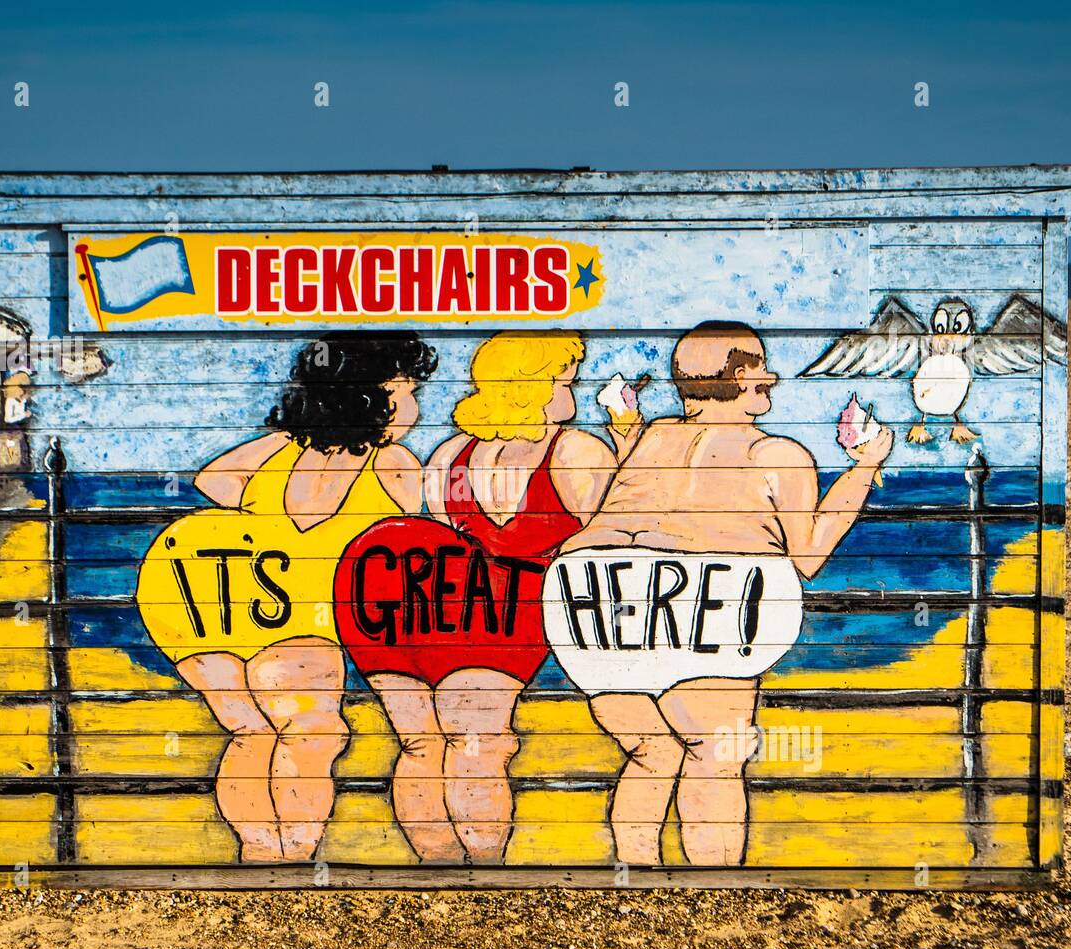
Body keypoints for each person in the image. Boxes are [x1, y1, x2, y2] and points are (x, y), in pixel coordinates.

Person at [557, 321, 893, 866]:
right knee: (715, 756)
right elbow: (808, 555)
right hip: (702, 595)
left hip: (591, 604)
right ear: (739, 376)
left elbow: (636, 511)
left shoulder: (651, 438)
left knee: (652, 753)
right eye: (760, 365)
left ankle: (633, 879)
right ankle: (710, 887)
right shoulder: (777, 454)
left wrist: (625, 431)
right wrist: (864, 465)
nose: (771, 377)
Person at [338, 331, 639, 864]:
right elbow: (618, 535)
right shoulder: (576, 451)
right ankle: (485, 873)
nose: (572, 392)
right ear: (538, 388)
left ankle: (436, 869)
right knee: (480, 750)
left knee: (421, 745)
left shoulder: (451, 454)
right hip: (504, 616)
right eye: (565, 380)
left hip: (418, 606)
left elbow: (436, 532)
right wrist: (630, 441)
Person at [136, 332, 437, 862]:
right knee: (313, 735)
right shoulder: (395, 467)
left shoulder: (276, 449)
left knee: (251, 733)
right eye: (407, 391)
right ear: (375, 396)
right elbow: (434, 537)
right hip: (306, 617)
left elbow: (213, 483)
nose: (413, 406)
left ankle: (258, 853)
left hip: (218, 608)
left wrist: (270, 524)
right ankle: (293, 855)